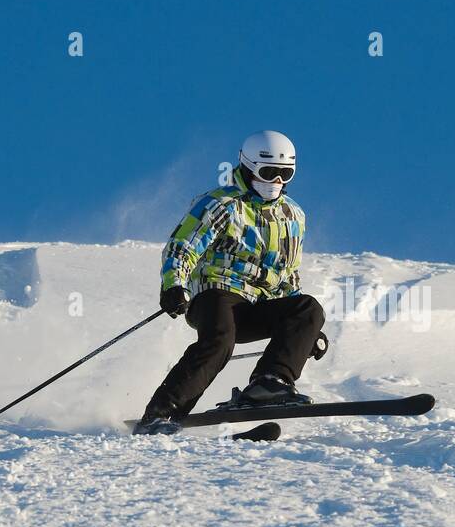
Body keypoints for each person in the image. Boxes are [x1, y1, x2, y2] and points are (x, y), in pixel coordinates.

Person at [135, 130, 326, 434]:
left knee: (309, 308)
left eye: (284, 174)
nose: (275, 181)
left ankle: (269, 383)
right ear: (248, 168)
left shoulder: (293, 216)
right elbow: (182, 245)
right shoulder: (221, 204)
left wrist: (305, 332)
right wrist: (174, 284)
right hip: (216, 296)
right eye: (268, 172)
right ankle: (161, 412)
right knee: (220, 342)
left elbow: (287, 275)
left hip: (258, 306)